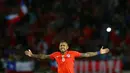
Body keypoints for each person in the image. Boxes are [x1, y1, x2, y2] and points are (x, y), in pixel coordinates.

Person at [25, 41, 109, 73]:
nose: (62, 47)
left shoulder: (72, 53)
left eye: (64, 45)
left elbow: (86, 54)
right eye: (61, 45)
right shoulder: (55, 54)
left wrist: (99, 52)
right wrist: (32, 55)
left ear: (67, 47)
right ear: (59, 47)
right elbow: (43, 56)